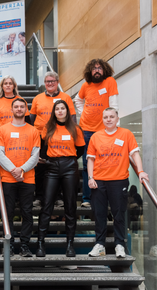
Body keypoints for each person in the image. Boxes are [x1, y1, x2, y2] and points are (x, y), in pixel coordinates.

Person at [87, 108, 149, 258]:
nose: (108, 119)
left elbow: (135, 154)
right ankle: (99, 244)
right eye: (106, 117)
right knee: (100, 214)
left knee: (119, 214)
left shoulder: (126, 134)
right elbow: (90, 159)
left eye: (111, 117)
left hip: (119, 180)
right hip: (99, 181)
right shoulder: (96, 136)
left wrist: (140, 171)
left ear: (117, 119)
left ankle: (120, 245)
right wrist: (90, 177)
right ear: (102, 119)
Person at [36, 100, 85, 258]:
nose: (60, 111)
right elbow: (43, 148)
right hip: (52, 167)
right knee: (47, 206)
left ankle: (70, 245)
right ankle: (40, 244)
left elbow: (80, 149)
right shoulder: (48, 128)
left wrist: (68, 159)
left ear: (67, 111)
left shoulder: (75, 128)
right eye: (57, 109)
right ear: (54, 111)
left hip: (70, 167)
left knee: (70, 207)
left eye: (63, 108)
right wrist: (51, 161)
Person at [0, 98, 40, 257]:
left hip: (28, 179)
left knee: (27, 213)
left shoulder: (33, 131)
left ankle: (25, 246)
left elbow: (35, 155)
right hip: (7, 179)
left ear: (26, 109)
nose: (19, 109)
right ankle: (10, 246)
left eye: (22, 106)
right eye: (16, 106)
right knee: (7, 214)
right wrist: (14, 170)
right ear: (12, 109)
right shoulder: (2, 130)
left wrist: (21, 170)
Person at [74, 59, 118, 208]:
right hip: (86, 129)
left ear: (104, 70)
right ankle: (87, 198)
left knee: (105, 163)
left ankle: (103, 196)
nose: (97, 71)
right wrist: (83, 112)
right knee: (87, 165)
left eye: (99, 68)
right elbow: (78, 100)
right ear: (89, 71)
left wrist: (114, 125)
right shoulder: (86, 85)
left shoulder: (110, 81)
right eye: (94, 69)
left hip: (103, 131)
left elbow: (114, 103)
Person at [30, 72, 76, 207]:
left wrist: (72, 133)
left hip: (59, 136)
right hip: (40, 136)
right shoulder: (37, 98)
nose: (50, 84)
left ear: (57, 82)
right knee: (39, 167)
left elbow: (72, 117)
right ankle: (39, 196)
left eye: (52, 81)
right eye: (47, 81)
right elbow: (31, 119)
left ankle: (57, 197)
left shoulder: (65, 97)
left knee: (57, 167)